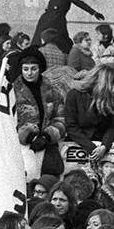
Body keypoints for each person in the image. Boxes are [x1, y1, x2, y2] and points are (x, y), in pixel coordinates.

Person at [13, 47, 67, 179]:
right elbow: (9, 120)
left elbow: (61, 117)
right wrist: (28, 136)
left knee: (47, 183)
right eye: (25, 69)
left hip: (47, 145)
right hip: (21, 147)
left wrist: (48, 136)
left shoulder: (53, 90)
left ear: (40, 69)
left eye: (33, 69)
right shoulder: (13, 91)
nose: (29, 73)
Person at [32, 0, 104, 55]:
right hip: (57, 20)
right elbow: (78, 2)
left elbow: (48, 8)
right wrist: (94, 12)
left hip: (44, 20)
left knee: (39, 41)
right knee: (64, 43)